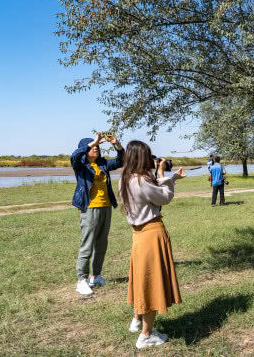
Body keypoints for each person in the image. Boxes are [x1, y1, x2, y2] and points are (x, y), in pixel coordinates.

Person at [118, 140, 186, 349]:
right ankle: (146, 335)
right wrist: (164, 175)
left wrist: (169, 177)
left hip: (138, 236)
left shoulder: (125, 179)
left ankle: (137, 319)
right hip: (151, 233)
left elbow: (151, 194)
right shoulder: (141, 181)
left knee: (141, 278)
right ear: (141, 158)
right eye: (148, 155)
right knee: (152, 282)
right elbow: (164, 197)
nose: (152, 158)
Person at [70, 133, 124, 296]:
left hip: (106, 207)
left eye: (97, 147)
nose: (96, 149)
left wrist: (118, 145)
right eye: (93, 147)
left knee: (101, 244)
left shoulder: (102, 164)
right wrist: (91, 142)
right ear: (85, 150)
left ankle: (96, 276)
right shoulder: (80, 166)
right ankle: (81, 280)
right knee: (88, 244)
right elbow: (75, 155)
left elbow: (121, 161)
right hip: (90, 208)